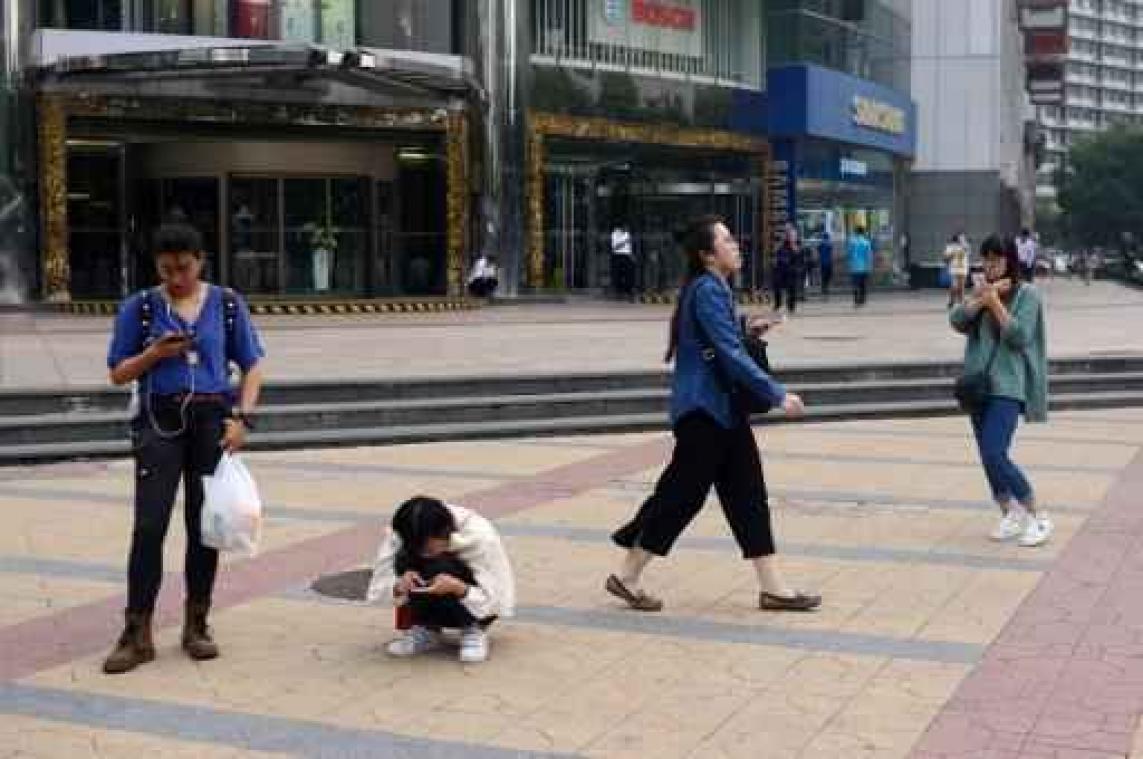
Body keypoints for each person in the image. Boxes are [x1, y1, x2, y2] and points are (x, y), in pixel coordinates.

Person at [607, 215, 821, 614]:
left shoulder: (713, 287)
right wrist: (777, 394)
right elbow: (729, 354)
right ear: (708, 255)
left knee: (747, 495)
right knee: (681, 496)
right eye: (727, 240)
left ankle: (773, 587)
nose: (736, 245)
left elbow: (722, 339)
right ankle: (628, 575)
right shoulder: (707, 288)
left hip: (722, 411)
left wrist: (747, 329)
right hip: (704, 412)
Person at [102, 223, 266, 674]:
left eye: (184, 268)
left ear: (200, 261)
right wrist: (154, 354)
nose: (176, 278)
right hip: (159, 419)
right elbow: (117, 373)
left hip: (212, 419)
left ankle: (197, 623)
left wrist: (243, 418)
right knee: (149, 525)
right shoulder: (139, 308)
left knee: (205, 524)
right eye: (166, 269)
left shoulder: (227, 304)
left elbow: (253, 365)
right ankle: (137, 631)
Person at [950, 235, 1052, 547]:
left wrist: (994, 303)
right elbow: (956, 320)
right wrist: (982, 299)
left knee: (995, 451)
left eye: (997, 259)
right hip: (978, 387)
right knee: (987, 455)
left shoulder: (1027, 295)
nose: (991, 266)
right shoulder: (983, 291)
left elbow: (1019, 337)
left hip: (1008, 386)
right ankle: (1009, 512)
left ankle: (1038, 516)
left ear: (1010, 260)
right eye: (986, 260)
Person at [366, 496, 515, 664]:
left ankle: (474, 628)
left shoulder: (480, 535)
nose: (423, 554)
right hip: (436, 586)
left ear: (446, 532)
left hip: (473, 592)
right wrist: (399, 585)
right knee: (403, 560)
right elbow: (379, 585)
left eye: (428, 549)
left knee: (439, 564)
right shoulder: (402, 532)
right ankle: (426, 627)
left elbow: (496, 597)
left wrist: (459, 588)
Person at [772, 224, 801, 314]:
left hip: (792, 270)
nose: (792, 237)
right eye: (790, 235)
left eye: (793, 235)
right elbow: (777, 253)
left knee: (792, 289)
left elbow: (798, 256)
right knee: (777, 287)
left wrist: (794, 246)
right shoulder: (782, 244)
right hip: (781, 269)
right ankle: (778, 304)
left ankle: (791, 306)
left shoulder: (797, 245)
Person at [847, 225, 873, 307]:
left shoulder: (852, 242)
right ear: (863, 232)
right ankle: (862, 300)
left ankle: (856, 300)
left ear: (856, 232)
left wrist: (849, 264)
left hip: (854, 267)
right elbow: (869, 256)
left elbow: (849, 254)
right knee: (863, 284)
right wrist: (869, 267)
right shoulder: (866, 242)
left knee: (855, 284)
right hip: (864, 267)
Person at [943, 232, 970, 308]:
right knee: (954, 286)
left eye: (963, 238)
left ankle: (961, 302)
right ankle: (952, 301)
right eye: (961, 238)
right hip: (954, 269)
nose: (962, 239)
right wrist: (951, 255)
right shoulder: (950, 247)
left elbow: (967, 250)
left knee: (961, 286)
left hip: (963, 268)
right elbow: (945, 259)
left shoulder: (965, 246)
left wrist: (963, 244)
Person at [611, 223, 636, 300]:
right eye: (626, 227)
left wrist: (631, 255)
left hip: (627, 256)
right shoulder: (615, 234)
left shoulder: (627, 234)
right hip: (618, 256)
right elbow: (615, 247)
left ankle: (629, 292)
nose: (627, 229)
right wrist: (625, 242)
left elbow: (629, 247)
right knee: (618, 275)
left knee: (629, 275)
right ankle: (619, 293)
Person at [818, 232, 834, 298]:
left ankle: (824, 288)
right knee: (828, 276)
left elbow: (819, 250)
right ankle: (826, 288)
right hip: (828, 263)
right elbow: (831, 249)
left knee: (823, 276)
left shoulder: (821, 244)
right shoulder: (829, 244)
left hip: (823, 263)